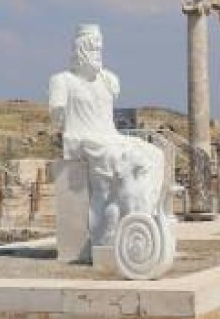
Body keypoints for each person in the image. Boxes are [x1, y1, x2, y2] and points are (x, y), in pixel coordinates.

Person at [48, 24, 167, 246]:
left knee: (155, 154)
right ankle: (126, 226)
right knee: (130, 159)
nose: (98, 55)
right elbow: (58, 119)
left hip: (110, 136)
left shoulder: (108, 79)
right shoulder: (62, 81)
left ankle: (145, 214)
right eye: (93, 50)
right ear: (80, 50)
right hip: (84, 140)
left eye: (100, 50)